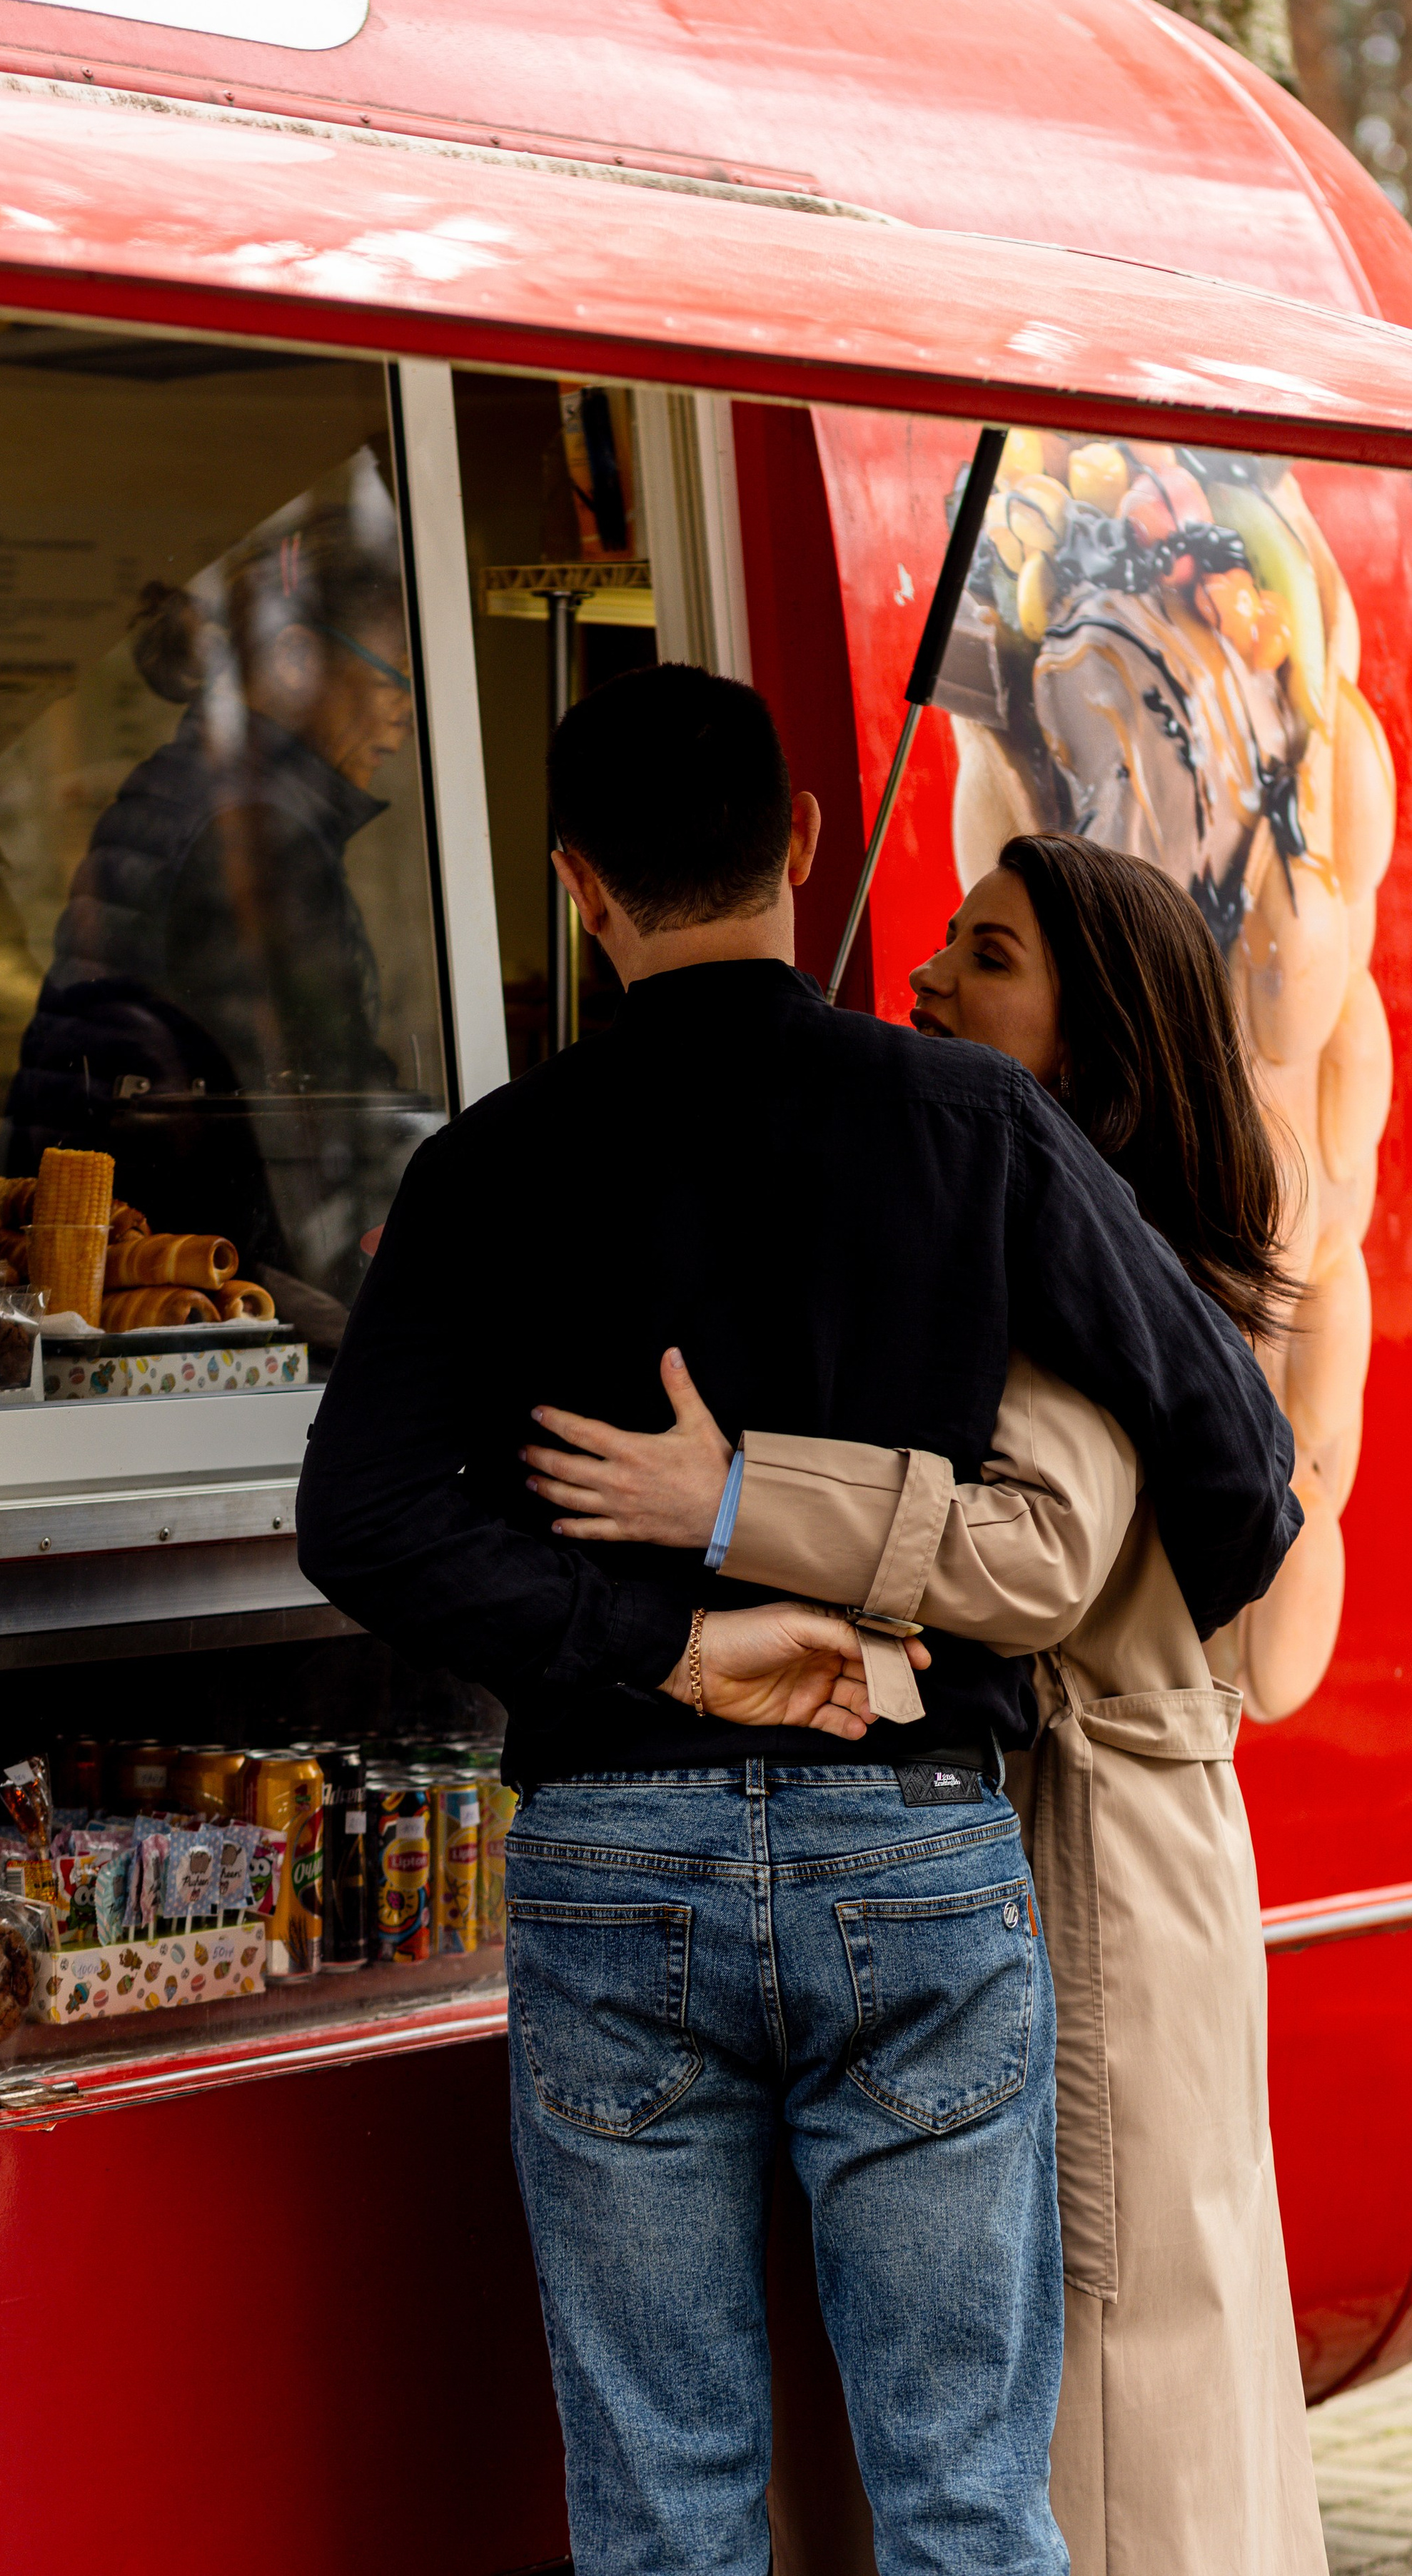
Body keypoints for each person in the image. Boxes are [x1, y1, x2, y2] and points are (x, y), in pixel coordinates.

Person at [296, 667, 1301, 2576]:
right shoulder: (970, 1129)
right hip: (915, 1846)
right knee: (959, 2498)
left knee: (664, 2505)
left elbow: (360, 1520)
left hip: (614, 1852)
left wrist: (662, 1644)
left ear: (580, 885)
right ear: (807, 847)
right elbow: (1239, 1470)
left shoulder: (494, 1163)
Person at [518, 832, 1327, 2575]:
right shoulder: (1093, 1234)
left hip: (1086, 1867)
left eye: (989, 956)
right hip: (1116, 1854)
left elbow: (1035, 1554)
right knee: (1086, 2374)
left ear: (1093, 1040)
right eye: (945, 941)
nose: (927, 979)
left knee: (1088, 2396)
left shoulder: (1068, 1268)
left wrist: (728, 1500)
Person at [6, 514, 410, 1262]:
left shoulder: (194, 788)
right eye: (395, 674)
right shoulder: (256, 830)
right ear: (294, 658)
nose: (406, 711)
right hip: (205, 1270)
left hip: (141, 1246)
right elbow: (322, 1102)